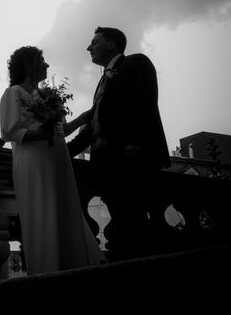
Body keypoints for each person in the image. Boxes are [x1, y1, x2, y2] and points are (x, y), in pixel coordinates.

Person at [0, 46, 106, 275]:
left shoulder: (48, 96)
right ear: (28, 64)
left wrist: (81, 119)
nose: (47, 65)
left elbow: (61, 131)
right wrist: (39, 135)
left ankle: (70, 261)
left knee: (63, 205)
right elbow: (10, 130)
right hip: (34, 161)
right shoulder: (14, 93)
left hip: (57, 159)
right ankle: (48, 265)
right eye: (42, 60)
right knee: (43, 206)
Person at [67, 27, 171, 259]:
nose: (88, 47)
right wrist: (64, 153)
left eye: (94, 42)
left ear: (112, 44)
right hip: (106, 167)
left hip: (130, 161)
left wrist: (135, 143)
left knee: (137, 225)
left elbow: (144, 102)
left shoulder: (136, 63)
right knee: (124, 223)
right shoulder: (103, 80)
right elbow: (94, 125)